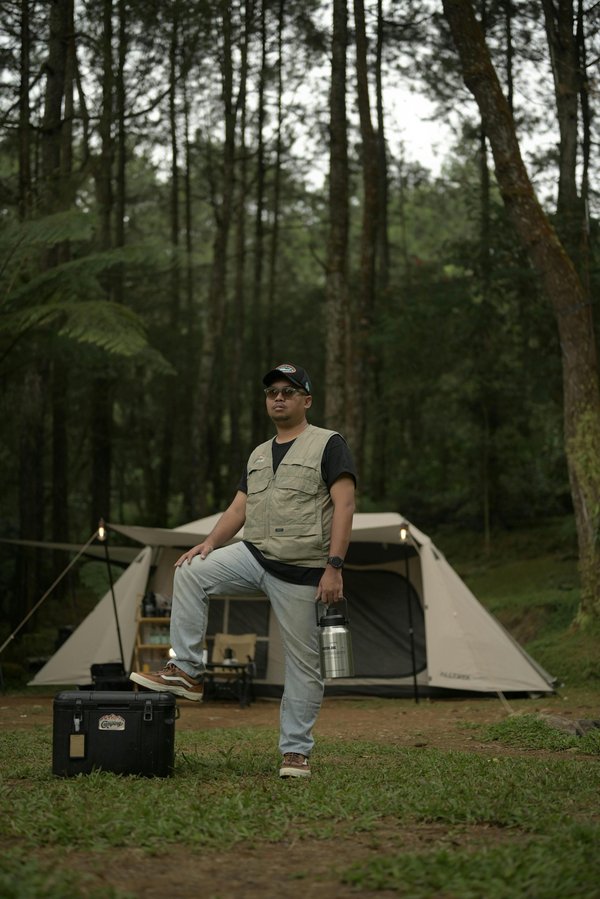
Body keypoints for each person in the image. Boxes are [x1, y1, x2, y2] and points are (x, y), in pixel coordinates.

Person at [130, 363, 356, 778]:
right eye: (272, 392)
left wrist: (334, 567)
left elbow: (344, 506)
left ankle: (295, 753)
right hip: (254, 554)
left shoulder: (329, 444)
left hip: (303, 570)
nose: (279, 398)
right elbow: (239, 507)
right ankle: (187, 672)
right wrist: (211, 542)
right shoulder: (257, 453)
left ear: (306, 400)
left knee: (304, 666)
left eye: (288, 391)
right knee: (191, 569)